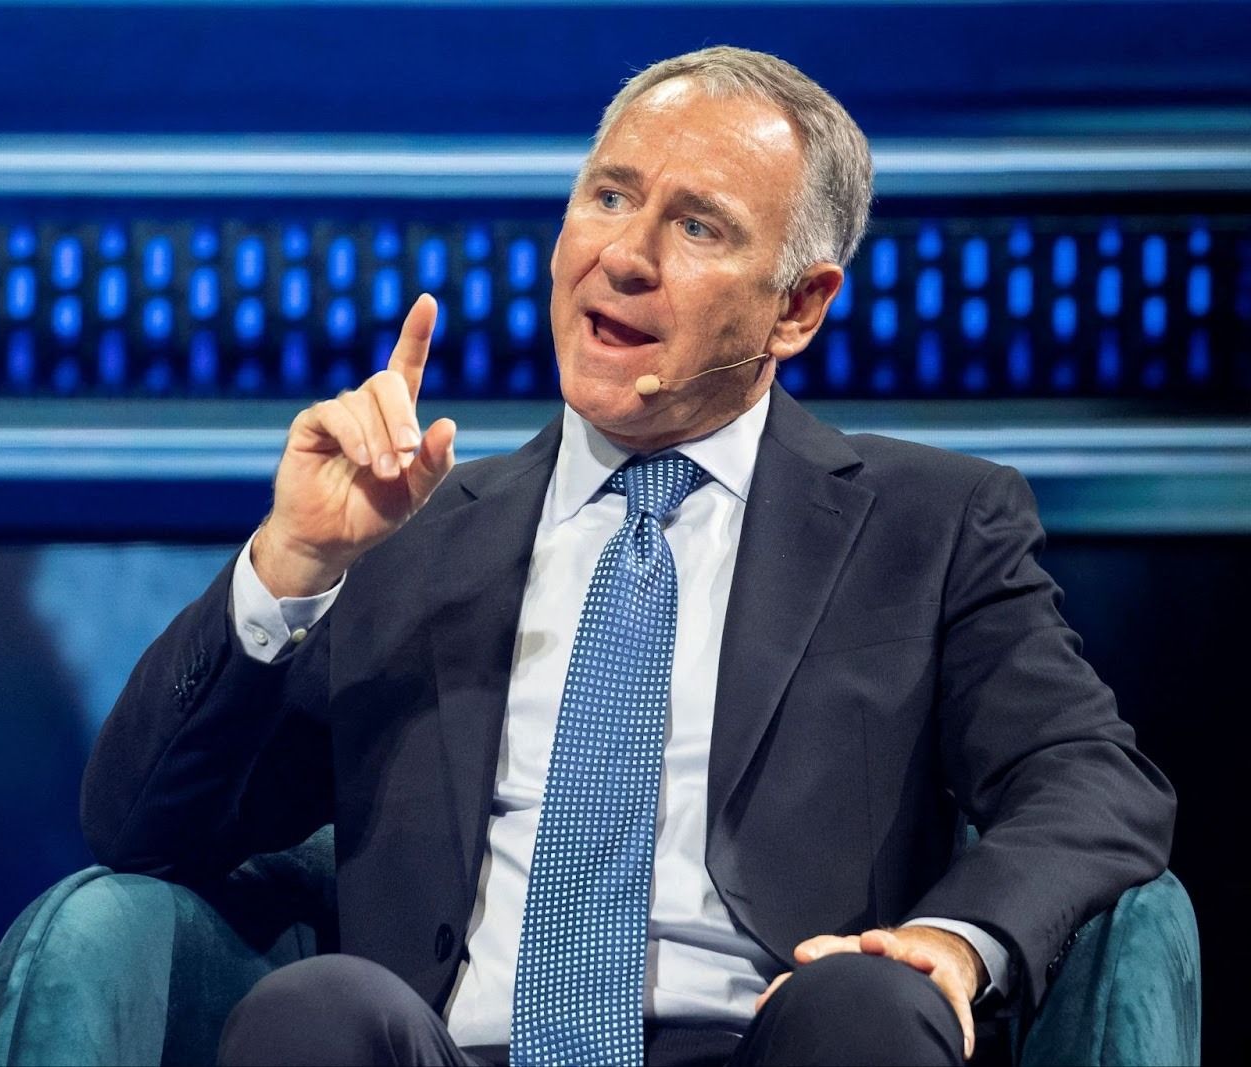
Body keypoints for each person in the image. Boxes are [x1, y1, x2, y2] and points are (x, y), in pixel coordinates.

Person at [81, 45, 1174, 1066]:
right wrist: (293, 562)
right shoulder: (411, 527)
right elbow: (141, 827)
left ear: (797, 307)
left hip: (772, 1034)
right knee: (313, 1009)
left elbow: (1087, 780)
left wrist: (953, 938)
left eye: (697, 227)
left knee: (867, 1012)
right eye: (608, 196)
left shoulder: (928, 524)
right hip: (455, 1044)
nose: (624, 256)